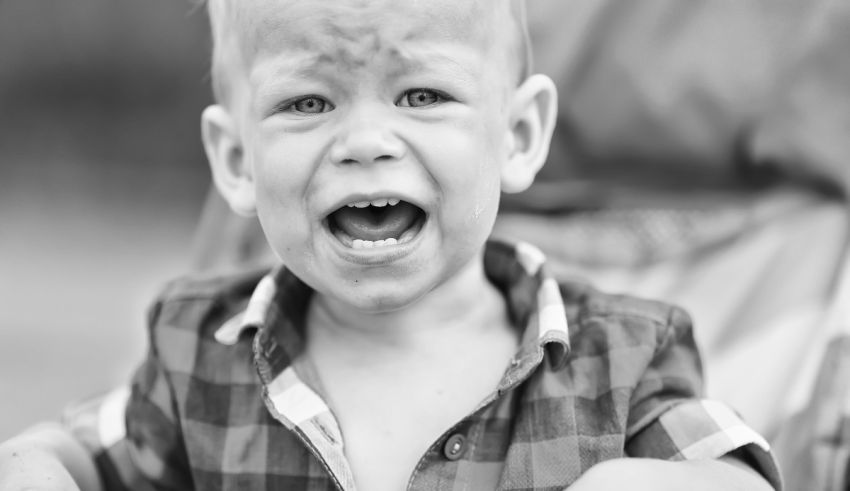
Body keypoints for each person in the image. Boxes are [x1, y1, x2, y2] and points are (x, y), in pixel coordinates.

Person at [0, 0, 782, 489]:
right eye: (307, 101)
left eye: (422, 95)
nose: (366, 140)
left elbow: (734, 474)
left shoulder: (619, 356)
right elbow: (74, 456)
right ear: (236, 160)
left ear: (518, 135)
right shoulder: (193, 356)